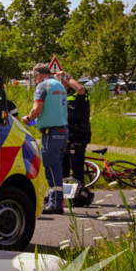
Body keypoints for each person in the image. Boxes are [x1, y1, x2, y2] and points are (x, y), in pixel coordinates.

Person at [22, 63, 68, 214]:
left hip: (51, 133)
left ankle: (56, 204)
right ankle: (57, 199)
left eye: (35, 77)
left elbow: (37, 109)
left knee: (50, 166)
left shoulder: (42, 86)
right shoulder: (60, 86)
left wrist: (27, 119)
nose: (35, 80)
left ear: (39, 75)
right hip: (63, 130)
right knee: (57, 167)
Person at [60, 72, 92, 206]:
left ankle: (79, 195)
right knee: (63, 166)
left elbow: (81, 89)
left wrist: (66, 76)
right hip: (66, 134)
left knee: (77, 165)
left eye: (62, 82)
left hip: (79, 134)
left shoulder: (79, 94)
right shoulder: (62, 95)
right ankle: (64, 195)